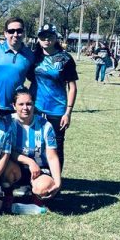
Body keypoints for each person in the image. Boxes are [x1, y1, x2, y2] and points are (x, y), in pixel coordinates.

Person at [3, 88, 61, 212]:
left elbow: (52, 156)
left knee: (44, 187)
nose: (25, 108)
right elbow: (6, 152)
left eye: (29, 104)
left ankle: (35, 197)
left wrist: (57, 182)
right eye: (21, 104)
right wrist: (30, 162)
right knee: (5, 168)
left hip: (39, 170)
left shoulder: (45, 125)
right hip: (15, 167)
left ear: (34, 104)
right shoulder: (7, 122)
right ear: (14, 105)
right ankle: (8, 195)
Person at [29, 23, 78, 170]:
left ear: (56, 37)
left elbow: (72, 87)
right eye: (43, 36)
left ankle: (55, 178)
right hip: (36, 107)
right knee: (34, 143)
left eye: (50, 36)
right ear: (38, 38)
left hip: (57, 109)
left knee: (56, 145)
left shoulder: (65, 58)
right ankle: (35, 176)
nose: (46, 39)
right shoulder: (34, 57)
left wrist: (68, 112)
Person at [0, 16, 35, 116]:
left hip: (16, 107)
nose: (15, 34)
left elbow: (34, 78)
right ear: (5, 33)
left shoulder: (30, 55)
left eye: (19, 31)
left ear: (24, 33)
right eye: (11, 31)